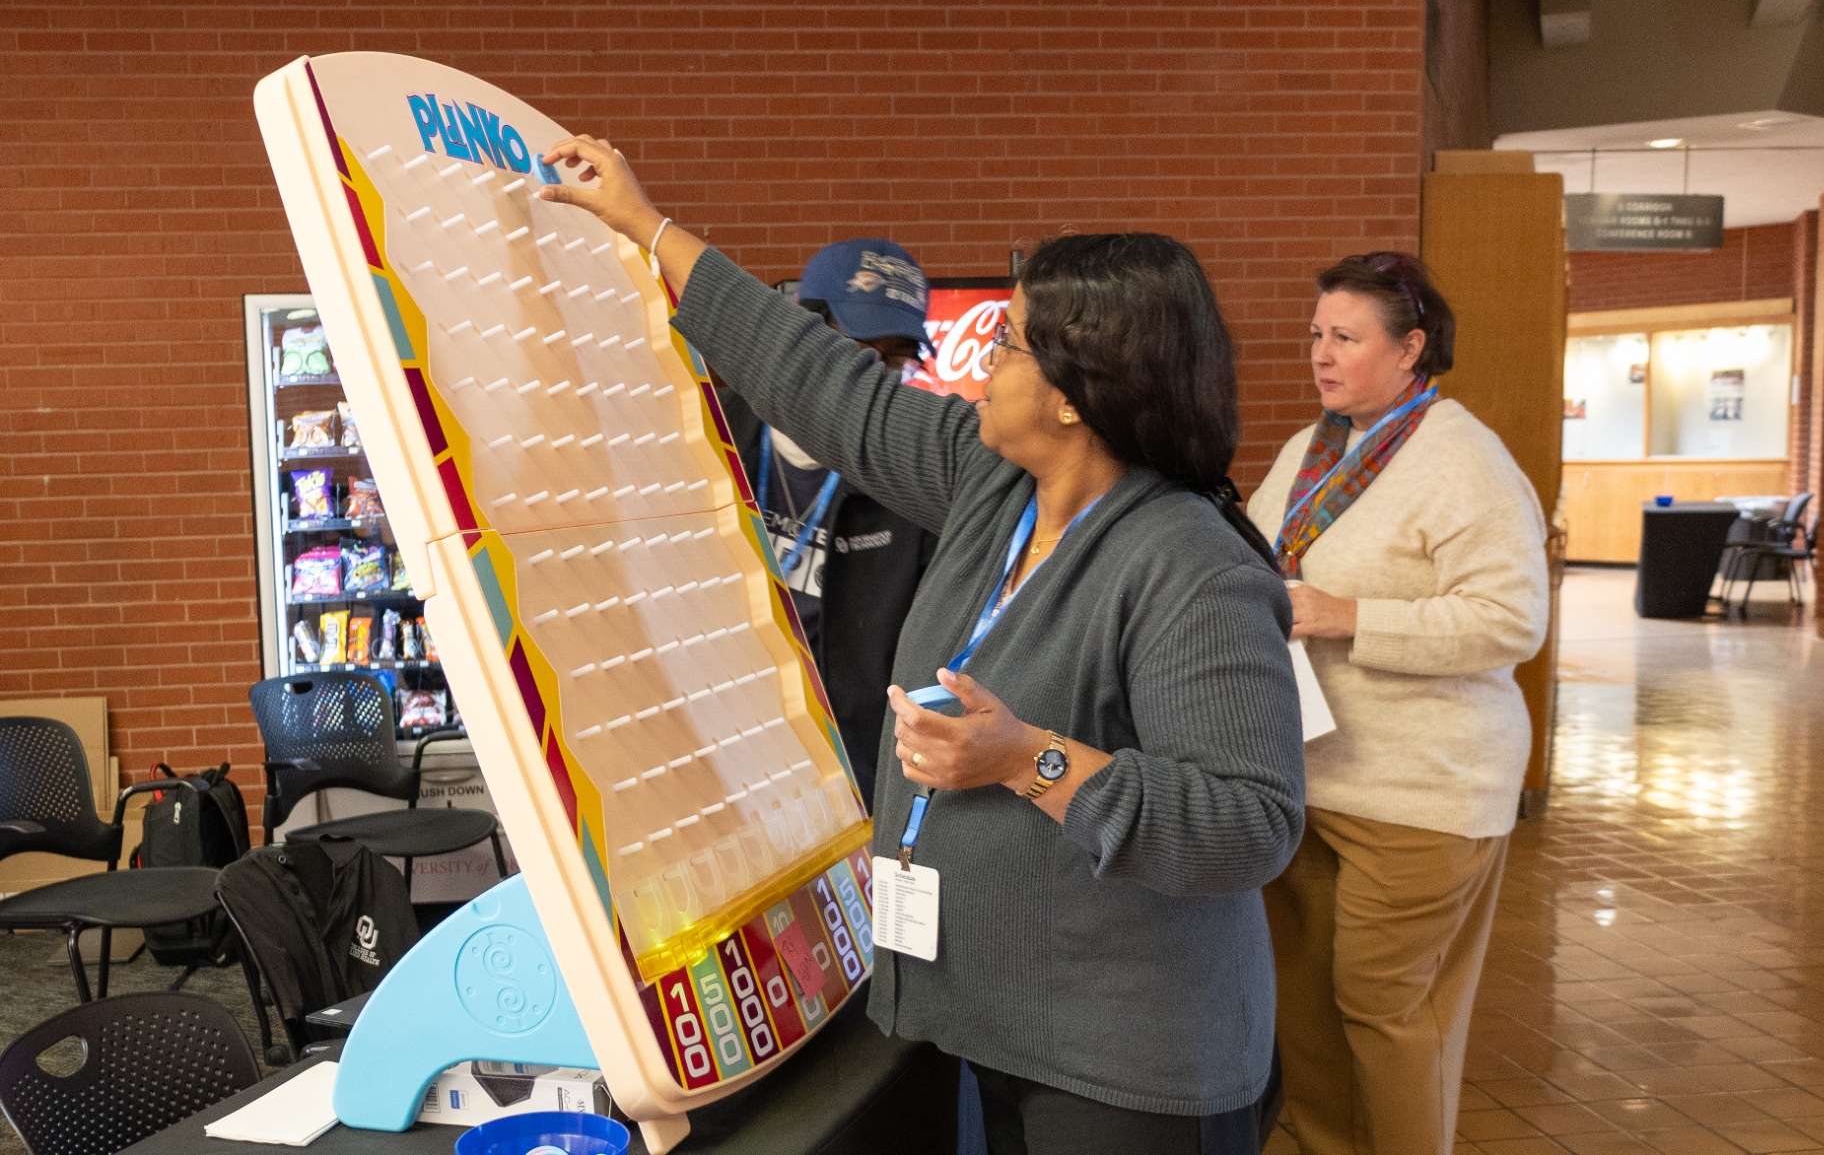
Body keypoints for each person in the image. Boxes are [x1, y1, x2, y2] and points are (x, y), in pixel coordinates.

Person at [540, 137, 1304, 1155]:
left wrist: (1027, 759)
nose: (975, 366)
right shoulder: (990, 483)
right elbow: (816, 381)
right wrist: (647, 226)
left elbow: (1249, 824)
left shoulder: (1188, 564)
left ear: (1077, 393)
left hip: (1132, 1067)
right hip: (994, 1025)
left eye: (1008, 348)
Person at [1243, 252, 1549, 1155]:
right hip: (1313, 772)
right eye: (1315, 335)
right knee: (1302, 1002)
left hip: (1424, 790)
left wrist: (1348, 617)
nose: (1321, 355)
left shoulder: (1464, 458)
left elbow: (1509, 621)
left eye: (1346, 337)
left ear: (1413, 348)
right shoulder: (1315, 447)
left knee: (1382, 1006)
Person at [719, 239, 940, 809]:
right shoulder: (708, 435)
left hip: (849, 780)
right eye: (857, 350)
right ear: (802, 331)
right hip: (718, 752)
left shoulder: (916, 486)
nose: (872, 379)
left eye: (892, 360)